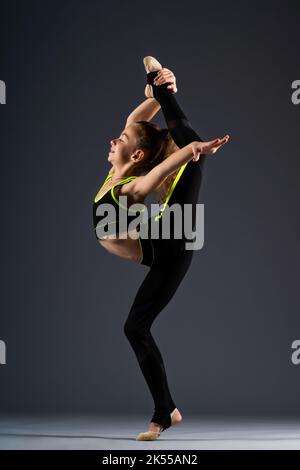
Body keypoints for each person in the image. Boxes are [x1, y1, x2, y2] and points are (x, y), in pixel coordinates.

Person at [92, 56, 229, 440]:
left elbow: (155, 174)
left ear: (134, 155)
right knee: (135, 328)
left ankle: (163, 413)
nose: (113, 139)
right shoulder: (117, 171)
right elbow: (135, 123)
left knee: (185, 141)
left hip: (173, 239)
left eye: (119, 141)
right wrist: (155, 93)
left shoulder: (130, 187)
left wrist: (196, 151)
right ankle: (167, 409)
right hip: (165, 246)